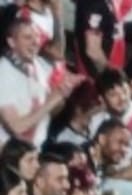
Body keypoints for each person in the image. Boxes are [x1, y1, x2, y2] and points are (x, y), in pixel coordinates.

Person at [0, 18, 83, 147]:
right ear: (12, 42)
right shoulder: (3, 72)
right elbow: (16, 127)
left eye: (37, 37)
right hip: (9, 152)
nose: (35, 42)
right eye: (27, 37)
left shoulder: (42, 66)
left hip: (35, 149)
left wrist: (62, 94)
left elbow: (49, 113)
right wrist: (53, 98)